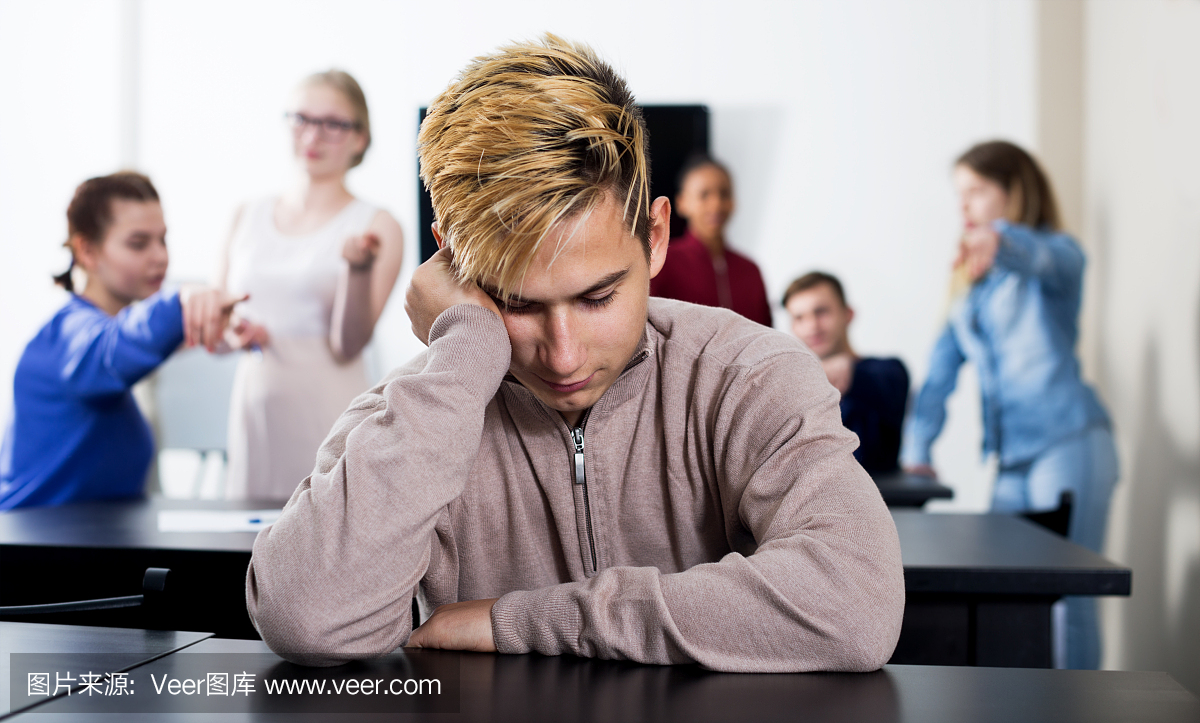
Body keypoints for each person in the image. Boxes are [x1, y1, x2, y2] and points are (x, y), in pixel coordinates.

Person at [246, 35, 904, 673]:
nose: (563, 355)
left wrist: (525, 620)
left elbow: (855, 604)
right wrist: (467, 347)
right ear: (450, 261)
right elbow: (307, 616)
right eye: (517, 303)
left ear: (654, 236)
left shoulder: (748, 374)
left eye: (598, 297)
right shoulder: (422, 403)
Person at [901, 140, 1118, 670]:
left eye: (977, 191)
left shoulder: (1054, 258)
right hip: (1012, 461)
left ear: (1013, 190)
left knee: (1071, 602)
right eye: (961, 195)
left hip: (1069, 444)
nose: (965, 206)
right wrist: (917, 447)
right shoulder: (969, 285)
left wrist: (1000, 239)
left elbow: (1042, 256)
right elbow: (940, 372)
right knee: (1001, 595)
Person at [0, 172, 243, 510]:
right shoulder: (68, 335)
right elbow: (114, 349)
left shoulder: (107, 329)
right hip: (32, 551)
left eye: (163, 240)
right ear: (87, 251)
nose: (159, 256)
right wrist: (180, 301)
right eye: (138, 243)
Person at [218, 69, 404, 501]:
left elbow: (350, 343)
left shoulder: (376, 225)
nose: (313, 136)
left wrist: (356, 270)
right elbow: (220, 326)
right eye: (301, 119)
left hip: (328, 412)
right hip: (256, 414)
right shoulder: (246, 214)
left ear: (360, 138)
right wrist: (235, 332)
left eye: (333, 124)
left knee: (324, 539)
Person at [783, 272, 909, 475]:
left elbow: (888, 387)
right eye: (799, 318)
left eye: (821, 312)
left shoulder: (888, 372)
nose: (812, 326)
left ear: (847, 314)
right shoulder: (789, 386)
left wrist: (847, 369)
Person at [649, 155, 773, 326]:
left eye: (724, 193)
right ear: (681, 203)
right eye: (704, 195)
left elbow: (768, 338)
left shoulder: (750, 270)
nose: (716, 204)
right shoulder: (661, 263)